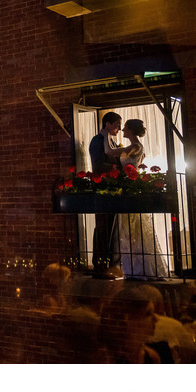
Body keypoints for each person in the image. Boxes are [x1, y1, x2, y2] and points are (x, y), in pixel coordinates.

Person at [105, 119, 169, 278]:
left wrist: (105, 133)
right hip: (128, 188)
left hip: (130, 190)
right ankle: (133, 268)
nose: (122, 129)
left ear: (131, 130)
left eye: (124, 127)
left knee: (132, 229)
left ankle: (140, 269)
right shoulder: (135, 147)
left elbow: (109, 152)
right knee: (129, 230)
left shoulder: (135, 146)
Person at [94, 285, 174, 364]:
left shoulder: (153, 356)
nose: (156, 319)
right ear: (127, 319)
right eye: (148, 313)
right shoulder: (106, 359)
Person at [89, 112, 123, 278]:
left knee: (113, 228)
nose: (119, 128)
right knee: (103, 227)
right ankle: (100, 265)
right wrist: (117, 169)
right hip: (103, 188)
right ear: (107, 124)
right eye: (117, 124)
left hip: (113, 189)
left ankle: (112, 265)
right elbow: (98, 164)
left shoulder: (112, 141)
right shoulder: (97, 140)